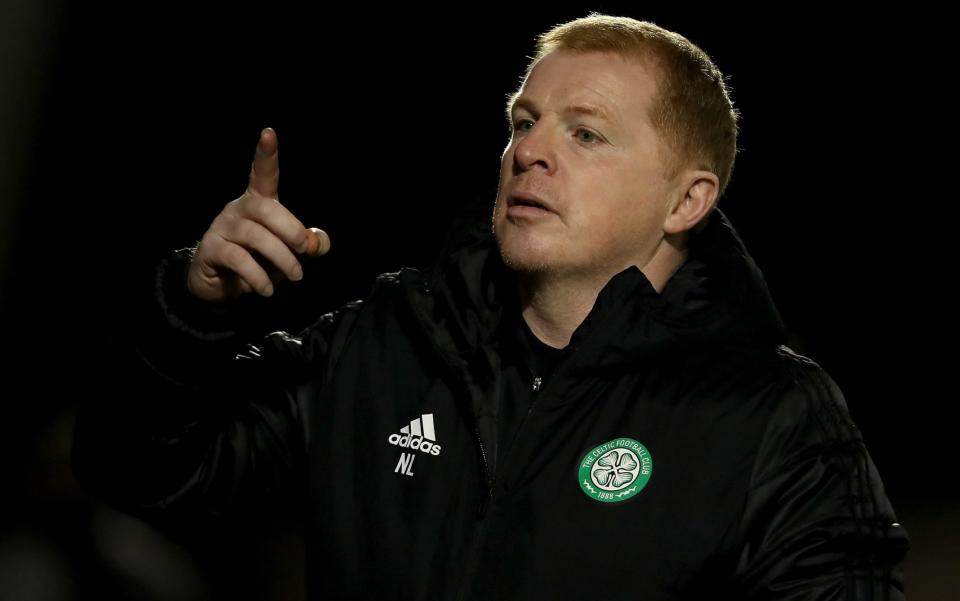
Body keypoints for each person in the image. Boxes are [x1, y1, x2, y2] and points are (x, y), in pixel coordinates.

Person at [72, 14, 909, 600]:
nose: (531, 151)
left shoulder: (773, 414)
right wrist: (193, 309)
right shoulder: (392, 339)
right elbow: (142, 470)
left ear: (686, 201)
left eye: (585, 133)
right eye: (524, 121)